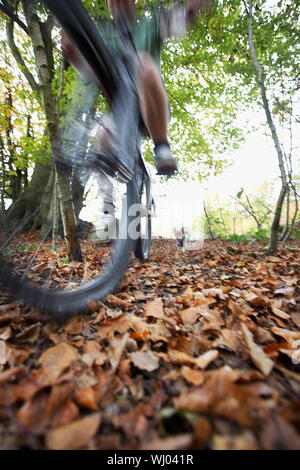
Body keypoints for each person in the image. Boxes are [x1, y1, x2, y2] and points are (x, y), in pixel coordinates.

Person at [62, 0, 213, 237]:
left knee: (143, 61)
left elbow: (180, 19)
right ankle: (107, 213)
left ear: (133, 4)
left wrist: (193, 8)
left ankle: (161, 145)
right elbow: (86, 70)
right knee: (101, 136)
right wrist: (72, 49)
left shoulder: (150, 27)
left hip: (150, 108)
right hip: (120, 116)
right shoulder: (103, 38)